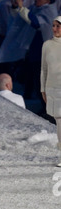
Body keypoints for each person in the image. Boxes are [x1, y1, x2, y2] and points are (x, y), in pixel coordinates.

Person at [41, 16, 61, 165]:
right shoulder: (47, 45)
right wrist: (43, 88)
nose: (54, 29)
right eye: (53, 26)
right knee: (58, 122)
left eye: (58, 26)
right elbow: (44, 68)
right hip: (52, 88)